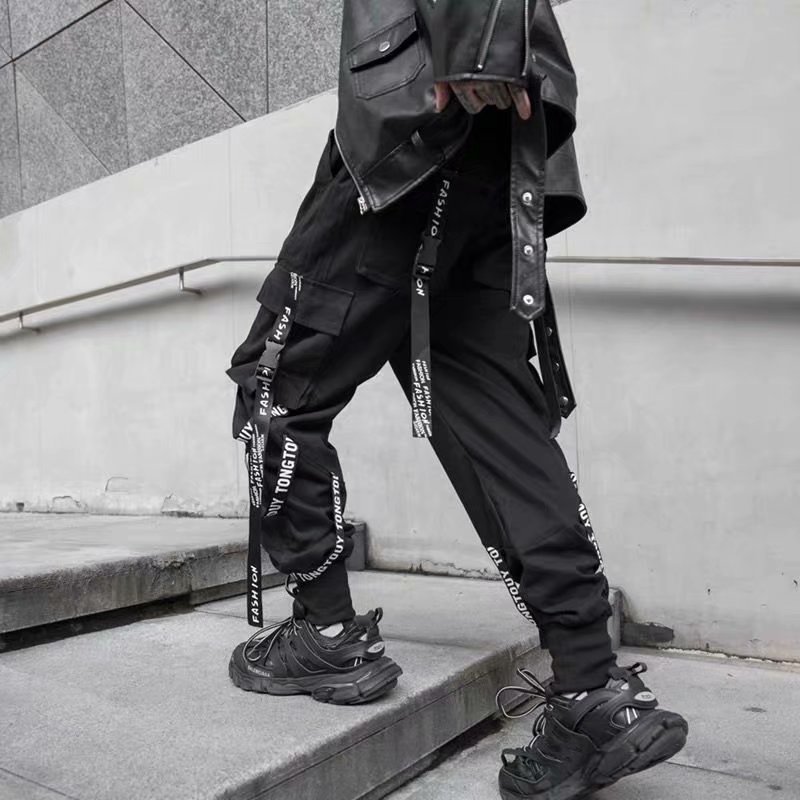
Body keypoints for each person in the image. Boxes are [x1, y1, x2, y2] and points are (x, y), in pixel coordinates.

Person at [225, 1, 688, 796]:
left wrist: (478, 46)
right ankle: (590, 682)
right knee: (495, 419)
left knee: (276, 387)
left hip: (422, 123)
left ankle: (326, 630)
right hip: (493, 155)